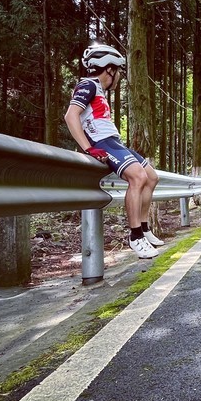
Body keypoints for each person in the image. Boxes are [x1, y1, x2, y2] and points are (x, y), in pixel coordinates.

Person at [64, 44, 162, 259]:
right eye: (118, 71)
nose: (118, 77)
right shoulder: (88, 85)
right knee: (137, 177)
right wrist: (88, 148)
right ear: (110, 69)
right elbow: (71, 116)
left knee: (151, 177)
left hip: (114, 142)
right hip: (102, 142)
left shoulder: (97, 89)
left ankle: (144, 229)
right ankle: (135, 236)